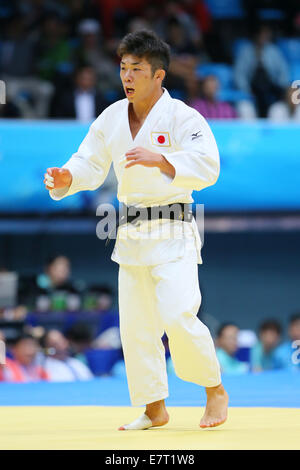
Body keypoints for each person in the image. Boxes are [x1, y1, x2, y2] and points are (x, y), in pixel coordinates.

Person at [44, 30, 228, 430]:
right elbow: (88, 162)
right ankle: (153, 407)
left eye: (137, 70)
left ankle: (214, 389)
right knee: (136, 326)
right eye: (124, 68)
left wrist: (161, 159)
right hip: (130, 232)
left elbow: (208, 164)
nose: (127, 77)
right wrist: (66, 177)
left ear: (158, 75)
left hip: (174, 227)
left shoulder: (183, 117)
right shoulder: (111, 117)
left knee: (178, 314)